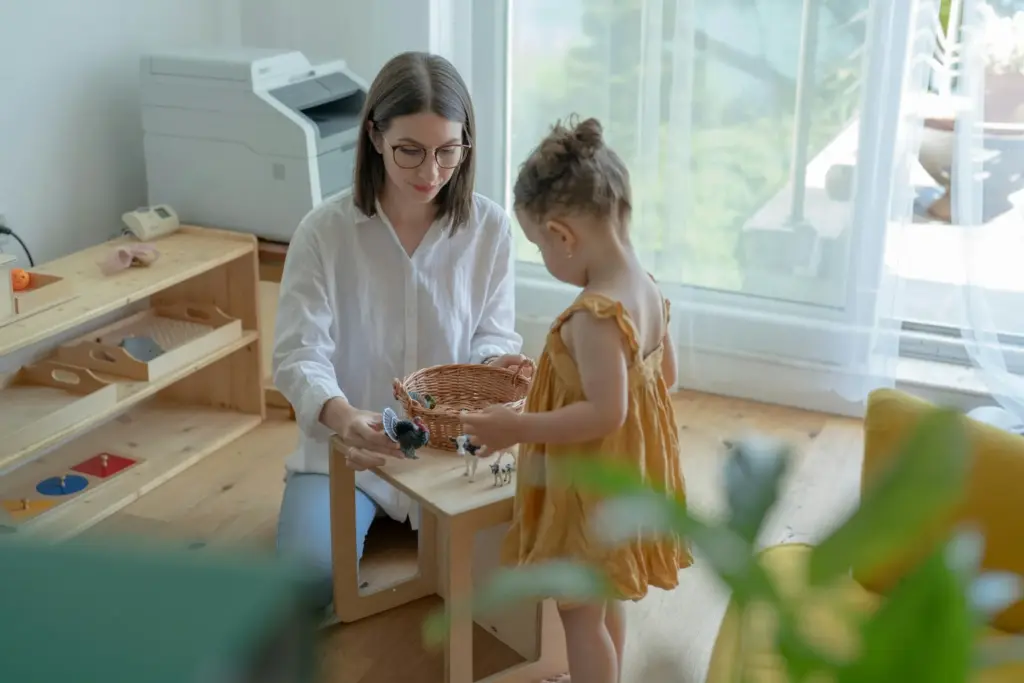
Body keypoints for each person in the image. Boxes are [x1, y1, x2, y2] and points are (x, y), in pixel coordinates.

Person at [272, 51, 529, 611]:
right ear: (375, 137)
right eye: (409, 151)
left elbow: (493, 334)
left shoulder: (489, 228)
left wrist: (492, 373)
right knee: (306, 587)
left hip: (452, 456)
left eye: (447, 152)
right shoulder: (324, 232)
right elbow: (297, 354)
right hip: (349, 457)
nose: (430, 172)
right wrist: (343, 416)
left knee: (519, 588)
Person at [460, 116, 692, 683]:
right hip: (627, 477)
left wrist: (514, 429)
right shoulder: (649, 290)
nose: (545, 256)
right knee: (602, 595)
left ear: (562, 235)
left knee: (578, 617)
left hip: (588, 486)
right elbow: (666, 380)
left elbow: (604, 413)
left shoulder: (593, 316)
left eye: (540, 244)